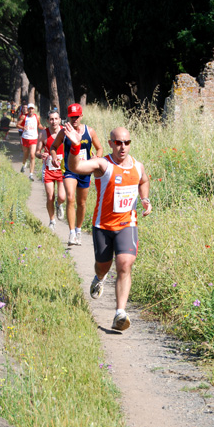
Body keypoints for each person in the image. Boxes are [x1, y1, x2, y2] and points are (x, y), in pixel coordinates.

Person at [64, 123, 152, 331]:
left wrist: (145, 198)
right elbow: (75, 168)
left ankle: (120, 313)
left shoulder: (137, 166)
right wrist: (76, 147)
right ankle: (99, 278)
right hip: (102, 225)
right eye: (118, 143)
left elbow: (144, 181)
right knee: (103, 265)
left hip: (127, 224)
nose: (123, 147)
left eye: (127, 143)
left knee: (125, 264)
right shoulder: (103, 164)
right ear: (111, 143)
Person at [50, 103, 102, 246]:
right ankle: (72, 233)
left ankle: (79, 230)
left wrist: (96, 157)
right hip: (69, 170)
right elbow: (53, 147)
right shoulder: (64, 132)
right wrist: (54, 156)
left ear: (81, 116)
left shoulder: (89, 131)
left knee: (82, 203)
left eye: (77, 117)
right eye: (72, 117)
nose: (74, 120)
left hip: (84, 171)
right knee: (70, 198)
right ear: (68, 117)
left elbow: (100, 148)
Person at [36, 110, 66, 230]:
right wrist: (40, 155)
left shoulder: (65, 132)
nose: (54, 122)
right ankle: (52, 221)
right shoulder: (43, 134)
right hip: (48, 169)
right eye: (51, 119)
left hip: (62, 169)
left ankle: (59, 204)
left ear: (59, 120)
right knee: (50, 196)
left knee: (62, 196)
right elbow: (37, 152)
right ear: (48, 121)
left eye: (56, 119)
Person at [17, 103, 44, 181]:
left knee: (32, 155)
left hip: (34, 138)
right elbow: (17, 125)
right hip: (25, 138)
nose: (31, 110)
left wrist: (43, 128)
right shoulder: (24, 117)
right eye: (29, 109)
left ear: (34, 109)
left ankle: (31, 174)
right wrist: (22, 127)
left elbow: (39, 125)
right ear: (27, 110)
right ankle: (24, 164)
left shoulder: (37, 117)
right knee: (26, 154)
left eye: (32, 108)